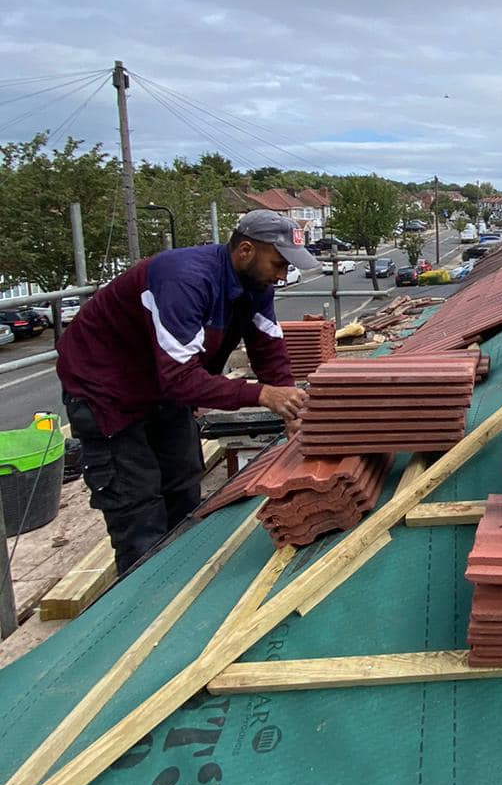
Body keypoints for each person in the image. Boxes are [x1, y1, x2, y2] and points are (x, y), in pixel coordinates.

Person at [57, 210, 313, 577]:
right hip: (107, 394)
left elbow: (268, 348)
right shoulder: (185, 279)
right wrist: (262, 396)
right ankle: (142, 609)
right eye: (279, 263)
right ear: (245, 250)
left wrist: (290, 404)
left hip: (162, 390)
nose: (282, 274)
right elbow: (178, 377)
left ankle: (180, 586)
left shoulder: (256, 286)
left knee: (183, 491)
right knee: (138, 511)